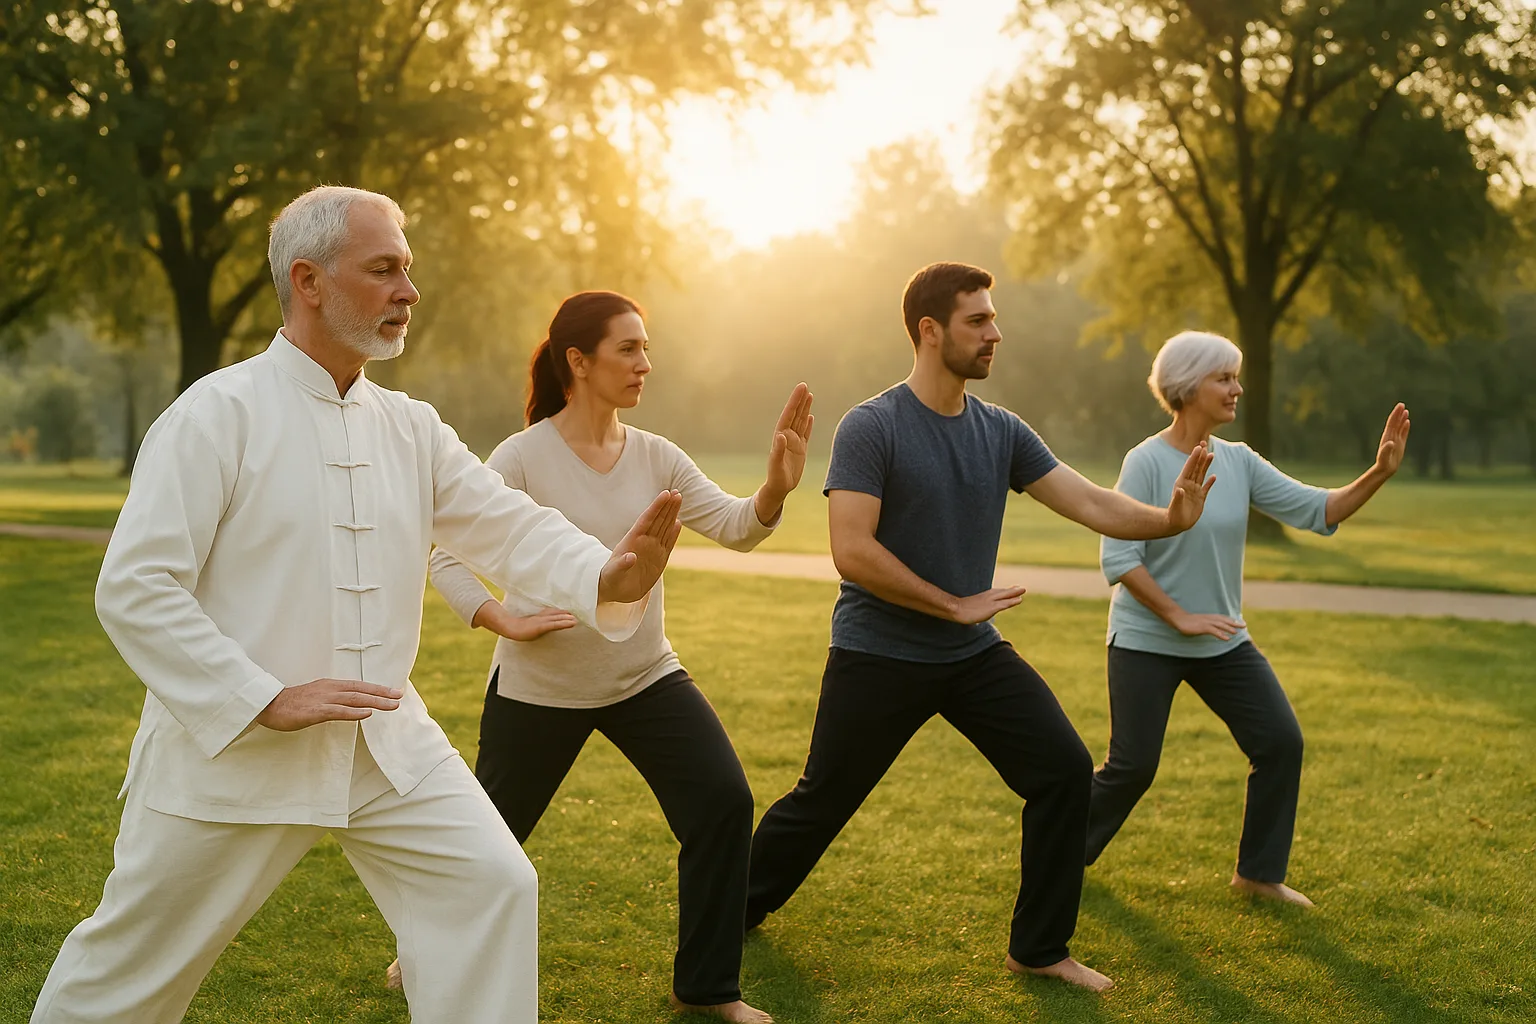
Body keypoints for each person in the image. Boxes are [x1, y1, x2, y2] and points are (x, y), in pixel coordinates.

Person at [29, 186, 683, 1024]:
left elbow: (508, 525)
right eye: (383, 270)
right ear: (308, 280)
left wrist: (606, 578)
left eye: (407, 270)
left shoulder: (410, 426)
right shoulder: (215, 415)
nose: (409, 291)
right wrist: (261, 696)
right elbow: (136, 587)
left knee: (490, 885)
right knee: (128, 971)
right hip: (230, 758)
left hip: (386, 744)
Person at [744, 262, 1217, 995]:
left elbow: (1089, 502)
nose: (995, 333)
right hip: (880, 650)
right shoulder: (874, 425)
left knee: (1060, 771)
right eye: (978, 321)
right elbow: (853, 550)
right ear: (930, 331)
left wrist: (1166, 520)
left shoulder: (1000, 431)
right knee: (823, 800)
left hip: (969, 652)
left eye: (994, 319)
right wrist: (951, 602)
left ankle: (1040, 948)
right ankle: (728, 912)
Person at [411, 291, 811, 1024]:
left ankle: (707, 986)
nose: (644, 364)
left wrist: (775, 488)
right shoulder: (522, 457)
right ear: (578, 361)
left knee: (722, 801)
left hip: (643, 674)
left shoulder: (657, 455)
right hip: (540, 689)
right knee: (487, 838)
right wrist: (504, 619)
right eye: (628, 349)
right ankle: (422, 951)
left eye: (645, 348)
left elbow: (734, 526)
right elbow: (448, 559)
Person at [1086, 330, 1409, 907]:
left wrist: (1378, 473)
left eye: (1236, 376)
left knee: (1280, 742)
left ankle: (1258, 874)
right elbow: (1119, 557)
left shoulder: (1238, 462)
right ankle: (1061, 852)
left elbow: (1318, 509)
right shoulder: (1146, 461)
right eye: (1224, 378)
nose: (1238, 388)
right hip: (1144, 639)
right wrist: (1177, 615)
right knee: (1132, 768)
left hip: (1221, 639)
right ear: (1188, 387)